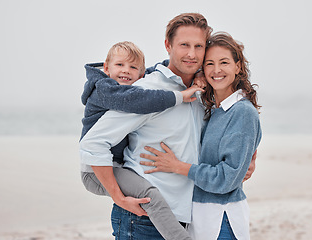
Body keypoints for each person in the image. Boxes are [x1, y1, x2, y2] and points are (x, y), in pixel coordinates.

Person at [80, 13, 213, 239]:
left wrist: (247, 156)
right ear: (168, 45)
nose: (192, 54)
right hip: (142, 218)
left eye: (198, 46)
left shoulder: (202, 91)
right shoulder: (145, 91)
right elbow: (93, 143)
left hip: (186, 216)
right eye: (184, 45)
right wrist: (118, 196)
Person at [140, 32, 262, 240]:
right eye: (209, 64)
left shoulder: (242, 112)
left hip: (222, 219)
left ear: (238, 66)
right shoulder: (214, 109)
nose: (216, 70)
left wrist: (177, 166)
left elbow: (226, 179)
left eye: (224, 62)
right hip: (201, 216)